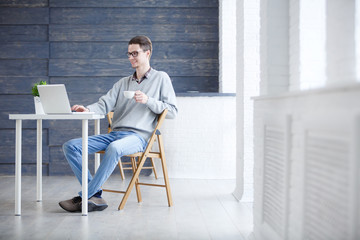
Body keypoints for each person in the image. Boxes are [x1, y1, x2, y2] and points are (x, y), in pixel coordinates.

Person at [59, 35, 178, 212]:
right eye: (129, 54)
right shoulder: (123, 83)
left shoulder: (161, 78)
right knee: (71, 146)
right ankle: (94, 194)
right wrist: (87, 109)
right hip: (115, 134)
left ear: (148, 53)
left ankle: (84, 197)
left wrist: (148, 100)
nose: (131, 58)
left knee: (114, 148)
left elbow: (172, 111)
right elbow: (103, 105)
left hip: (139, 137)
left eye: (135, 53)